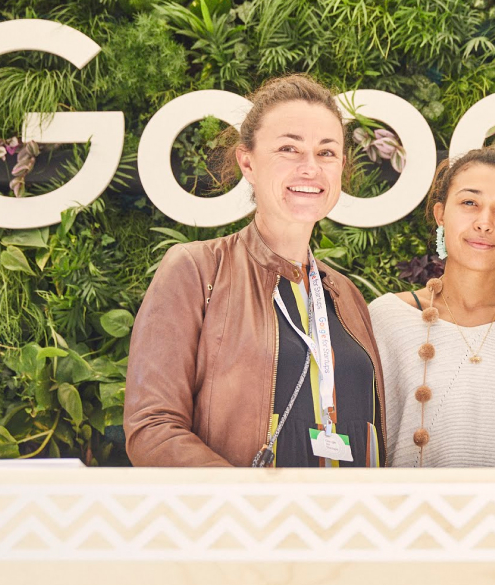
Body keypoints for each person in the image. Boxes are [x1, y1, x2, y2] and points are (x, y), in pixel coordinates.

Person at [124, 75, 386, 467]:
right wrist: (246, 504)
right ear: (248, 162)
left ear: (342, 166)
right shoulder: (196, 270)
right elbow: (152, 426)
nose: (310, 168)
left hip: (347, 522)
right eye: (288, 148)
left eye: (326, 153)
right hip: (246, 523)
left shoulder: (345, 294)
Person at [369, 148, 495, 467]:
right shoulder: (387, 319)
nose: (484, 223)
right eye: (469, 203)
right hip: (409, 514)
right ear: (440, 214)